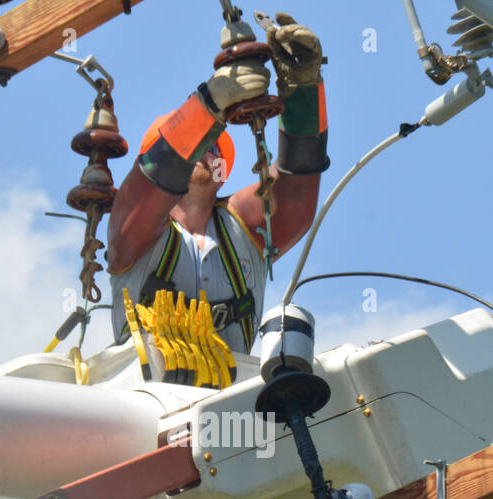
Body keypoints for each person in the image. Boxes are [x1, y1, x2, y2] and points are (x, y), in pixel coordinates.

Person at [106, 13, 328, 357]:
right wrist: (209, 104)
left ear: (222, 170)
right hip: (145, 393)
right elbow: (148, 188)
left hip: (232, 396)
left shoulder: (241, 227)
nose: (205, 153)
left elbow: (297, 184)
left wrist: (303, 90)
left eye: (212, 149)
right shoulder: (132, 232)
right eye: (198, 146)